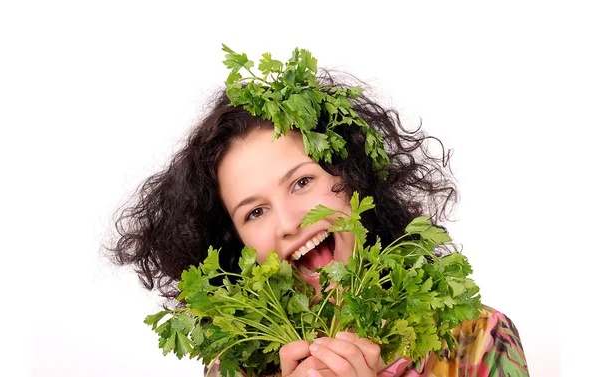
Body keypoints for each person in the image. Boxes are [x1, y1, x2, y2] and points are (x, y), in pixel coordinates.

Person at [108, 50, 529, 377]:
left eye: (301, 182)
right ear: (236, 242)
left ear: (351, 179)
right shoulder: (235, 365)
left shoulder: (476, 338)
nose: (290, 222)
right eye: (255, 212)